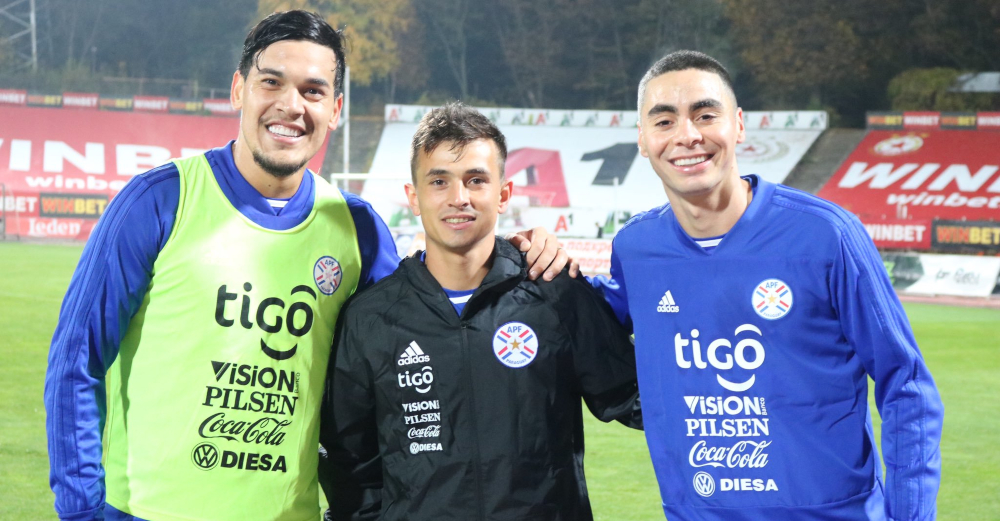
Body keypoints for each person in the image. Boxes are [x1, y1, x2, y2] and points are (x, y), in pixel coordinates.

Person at [43, 11, 568, 521]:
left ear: (335, 108)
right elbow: (76, 356)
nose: (290, 105)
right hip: (145, 513)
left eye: (313, 91)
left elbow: (425, 331)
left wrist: (520, 255)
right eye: (271, 82)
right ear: (239, 90)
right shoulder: (160, 200)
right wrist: (82, 508)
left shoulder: (357, 230)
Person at [602, 50, 943, 520]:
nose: (687, 135)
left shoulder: (826, 236)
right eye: (664, 121)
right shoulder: (636, 248)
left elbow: (905, 384)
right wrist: (530, 250)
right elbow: (586, 313)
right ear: (642, 139)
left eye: (705, 114)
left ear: (738, 125)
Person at [318, 102, 642, 521]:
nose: (459, 198)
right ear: (413, 198)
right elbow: (350, 467)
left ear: (503, 194)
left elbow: (638, 398)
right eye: (439, 181)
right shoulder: (370, 319)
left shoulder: (557, 294)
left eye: (476, 180)